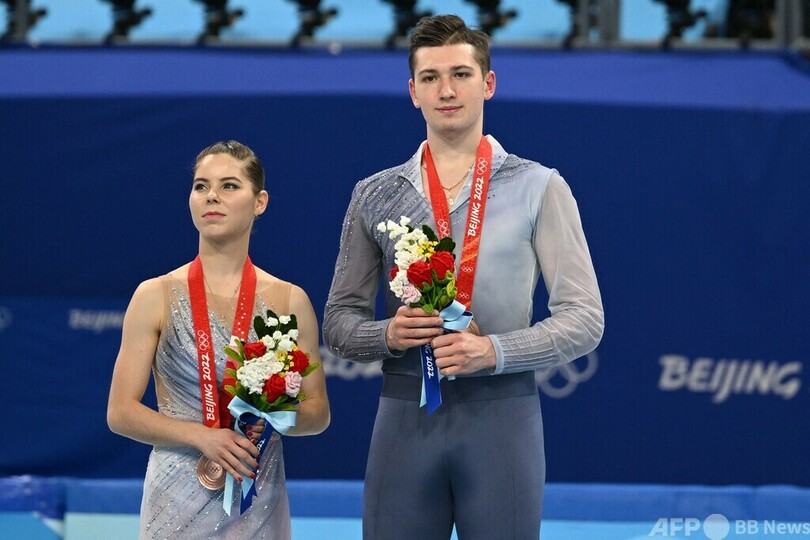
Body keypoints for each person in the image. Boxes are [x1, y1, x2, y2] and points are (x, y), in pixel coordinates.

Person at [323, 14, 603, 540]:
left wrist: (492, 351)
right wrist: (388, 335)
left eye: (460, 74)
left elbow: (585, 319)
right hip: (405, 414)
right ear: (413, 92)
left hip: (503, 418)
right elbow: (338, 324)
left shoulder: (539, 186)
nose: (446, 90)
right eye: (430, 78)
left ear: (488, 83)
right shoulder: (375, 194)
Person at [108, 140, 330, 539]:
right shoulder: (154, 295)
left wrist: (271, 416)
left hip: (255, 490)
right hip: (175, 496)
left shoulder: (289, 300)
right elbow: (121, 412)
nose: (212, 195)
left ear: (259, 202)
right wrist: (201, 435)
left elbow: (318, 413)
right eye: (201, 186)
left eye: (229, 185)